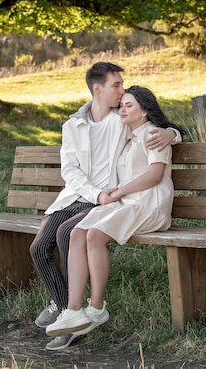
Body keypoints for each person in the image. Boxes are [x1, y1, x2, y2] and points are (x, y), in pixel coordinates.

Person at [29, 63, 180, 351]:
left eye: (124, 90)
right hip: (82, 196)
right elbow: (70, 170)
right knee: (39, 247)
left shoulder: (120, 119)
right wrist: (96, 194)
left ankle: (77, 316)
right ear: (97, 89)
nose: (122, 92)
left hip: (116, 199)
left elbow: (153, 127)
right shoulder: (74, 125)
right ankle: (67, 310)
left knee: (68, 234)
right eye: (117, 86)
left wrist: (172, 133)